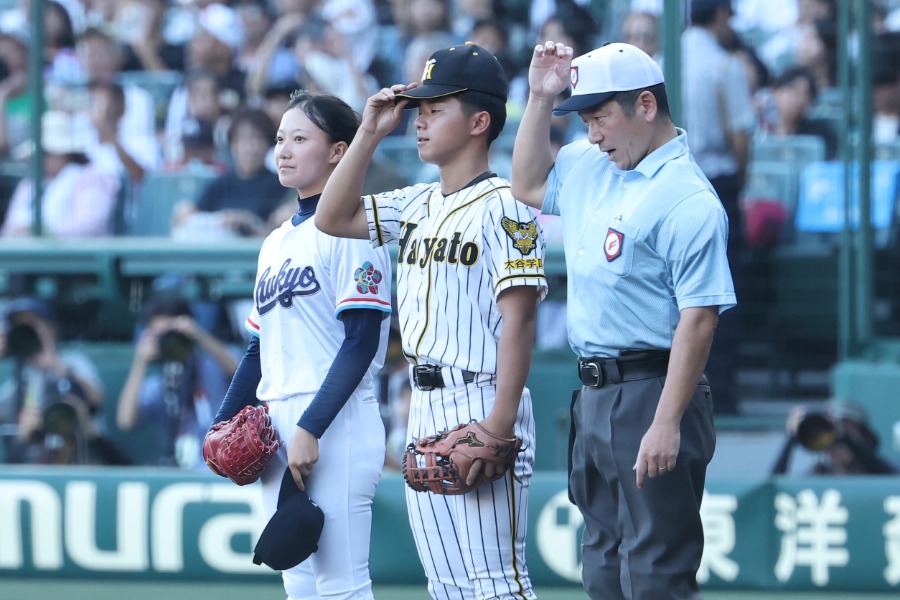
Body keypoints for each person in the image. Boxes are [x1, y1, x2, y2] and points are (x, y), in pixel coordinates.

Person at [316, 42, 547, 600]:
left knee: (497, 585)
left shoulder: (508, 203)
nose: (419, 120)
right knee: (447, 587)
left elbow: (519, 323)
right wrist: (369, 132)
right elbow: (331, 215)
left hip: (482, 398)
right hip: (422, 403)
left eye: (435, 109)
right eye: (419, 109)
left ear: (480, 122)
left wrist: (499, 425)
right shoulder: (416, 202)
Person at [511, 40, 735, 599]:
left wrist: (667, 421)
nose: (592, 133)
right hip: (594, 392)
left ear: (646, 105)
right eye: (585, 118)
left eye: (601, 116)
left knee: (657, 570)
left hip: (651, 387)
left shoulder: (688, 198)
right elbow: (527, 184)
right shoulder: (593, 164)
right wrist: (540, 99)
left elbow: (700, 319)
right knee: (604, 565)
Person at [208, 88, 393, 599]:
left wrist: (311, 427)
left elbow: (360, 340)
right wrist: (223, 421)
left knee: (342, 584)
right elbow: (256, 348)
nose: (283, 150)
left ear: (338, 150)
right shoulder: (275, 241)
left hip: (337, 420)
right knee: (300, 584)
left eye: (300, 138)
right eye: (279, 138)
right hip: (277, 420)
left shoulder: (355, 228)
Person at [682, 0, 755, 416]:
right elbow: (740, 138)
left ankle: (688, 390)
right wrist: (739, 182)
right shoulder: (724, 64)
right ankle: (721, 392)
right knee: (720, 290)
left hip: (669, 181)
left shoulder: (660, 59)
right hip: (717, 181)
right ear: (723, 13)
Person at [116, 293, 239, 468]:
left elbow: (240, 371)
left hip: (222, 463)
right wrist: (140, 362)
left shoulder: (212, 364)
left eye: (171, 333)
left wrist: (198, 334)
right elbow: (126, 421)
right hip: (181, 467)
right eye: (161, 336)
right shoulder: (158, 383)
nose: (169, 341)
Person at [0, 297, 122, 465]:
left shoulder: (73, 361)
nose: (27, 330)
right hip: (39, 458)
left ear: (51, 328)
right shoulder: (23, 373)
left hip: (83, 451)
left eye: (33, 324)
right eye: (20, 326)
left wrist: (56, 365)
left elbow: (96, 399)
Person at [771, 400, 899, 476]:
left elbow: (881, 471)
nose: (838, 443)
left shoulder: (882, 471)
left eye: (849, 430)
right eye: (831, 436)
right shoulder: (819, 475)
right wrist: (792, 438)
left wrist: (844, 437)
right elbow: (770, 491)